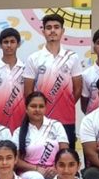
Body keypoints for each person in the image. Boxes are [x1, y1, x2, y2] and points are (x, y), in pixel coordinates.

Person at [12, 91, 69, 179]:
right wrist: (37, 169)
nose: (37, 109)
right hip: (29, 172)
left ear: (45, 108)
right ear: (26, 108)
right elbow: (16, 160)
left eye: (41, 106)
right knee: (36, 178)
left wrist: (56, 168)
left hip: (56, 169)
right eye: (33, 106)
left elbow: (65, 152)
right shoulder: (19, 132)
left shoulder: (56, 126)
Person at [24, 14, 83, 150]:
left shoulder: (72, 57)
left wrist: (64, 104)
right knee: (40, 156)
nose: (52, 31)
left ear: (62, 31)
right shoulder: (34, 58)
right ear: (43, 31)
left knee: (66, 158)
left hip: (66, 118)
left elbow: (78, 88)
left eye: (56, 27)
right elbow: (28, 92)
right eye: (48, 27)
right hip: (40, 119)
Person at [0, 28, 26, 132]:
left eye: (12, 42)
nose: (9, 45)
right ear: (0, 45)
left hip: (22, 122)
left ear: (18, 44)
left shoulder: (26, 69)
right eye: (5, 42)